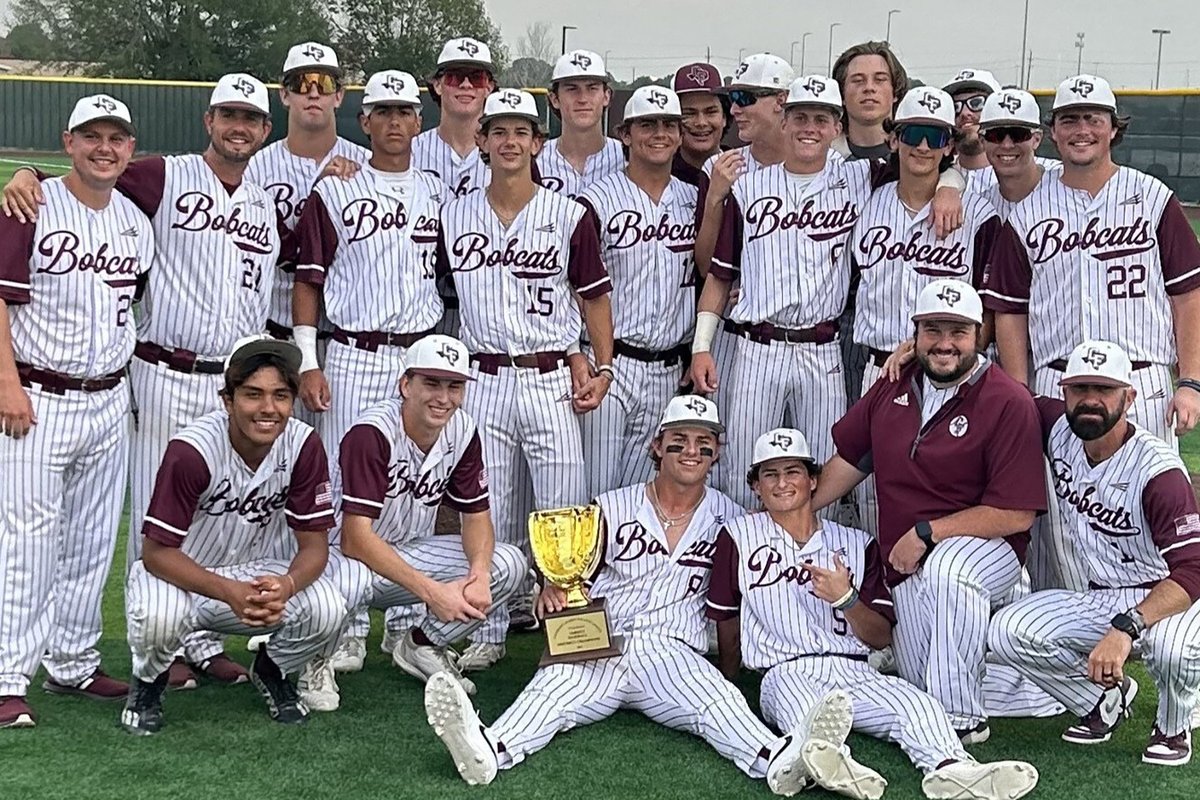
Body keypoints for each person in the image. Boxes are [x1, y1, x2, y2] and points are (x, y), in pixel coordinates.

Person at [3, 72, 290, 689]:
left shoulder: (265, 201)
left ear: (265, 131)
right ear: (208, 121)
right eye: (227, 114)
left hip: (230, 383)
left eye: (251, 118)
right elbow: (84, 179)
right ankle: (151, 650)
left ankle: (201, 640)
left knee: (218, 517)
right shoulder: (160, 176)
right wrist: (30, 174)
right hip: (164, 371)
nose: (238, 126)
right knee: (155, 521)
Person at [424, 396, 823, 796]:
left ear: (716, 452)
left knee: (716, 700)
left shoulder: (732, 521)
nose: (691, 450)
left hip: (670, 649)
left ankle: (776, 759)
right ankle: (488, 749)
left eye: (704, 441)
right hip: (599, 640)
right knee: (550, 691)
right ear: (657, 445)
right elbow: (571, 576)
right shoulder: (611, 507)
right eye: (679, 439)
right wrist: (553, 590)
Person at [708, 428, 1040, 800]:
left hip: (854, 668)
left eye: (793, 472)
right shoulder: (737, 535)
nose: (782, 483)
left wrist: (846, 598)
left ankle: (952, 769)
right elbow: (726, 616)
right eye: (770, 474)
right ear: (755, 485)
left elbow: (881, 636)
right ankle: (834, 761)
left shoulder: (855, 542)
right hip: (784, 670)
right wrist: (729, 679)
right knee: (805, 708)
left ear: (813, 479)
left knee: (917, 704)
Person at [812, 279, 1059, 743]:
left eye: (958, 332)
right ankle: (1068, 687)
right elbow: (849, 463)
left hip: (988, 550)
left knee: (949, 570)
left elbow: (1016, 514)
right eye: (933, 330)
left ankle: (960, 720)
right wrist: (794, 511)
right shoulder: (891, 385)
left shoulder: (1007, 400)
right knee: (918, 677)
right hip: (909, 563)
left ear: (978, 335)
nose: (945, 344)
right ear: (915, 334)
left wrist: (927, 533)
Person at [434, 88, 614, 664]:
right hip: (482, 374)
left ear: (539, 142)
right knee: (491, 507)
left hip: (547, 374)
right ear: (482, 141)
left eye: (522, 132)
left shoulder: (568, 214)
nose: (510, 141)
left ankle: (567, 634)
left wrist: (600, 362)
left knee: (563, 508)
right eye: (499, 131)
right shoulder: (451, 213)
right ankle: (488, 632)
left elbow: (593, 297)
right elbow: (439, 298)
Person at [0, 95, 151, 729]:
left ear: (130, 148)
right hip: (38, 396)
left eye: (117, 138)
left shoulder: (136, 221)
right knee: (29, 540)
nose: (105, 148)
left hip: (109, 395)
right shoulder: (30, 206)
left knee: (91, 541)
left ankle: (73, 660)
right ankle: (9, 674)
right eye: (92, 136)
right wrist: (6, 383)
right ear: (67, 142)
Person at [120, 336, 346, 734]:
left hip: (254, 573)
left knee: (329, 606)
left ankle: (273, 670)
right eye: (253, 394)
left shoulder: (303, 444)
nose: (268, 408)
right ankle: (149, 683)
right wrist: (228, 591)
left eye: (280, 395)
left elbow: (315, 547)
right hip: (181, 575)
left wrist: (287, 585)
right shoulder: (192, 450)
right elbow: (156, 553)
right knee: (158, 616)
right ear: (227, 400)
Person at [990, 339, 1200, 767]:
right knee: (1009, 632)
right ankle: (1102, 701)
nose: (1090, 401)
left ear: (1129, 396)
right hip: (1101, 593)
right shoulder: (1056, 426)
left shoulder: (1158, 472)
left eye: (1103, 390)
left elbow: (1193, 571)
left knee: (1171, 649)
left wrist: (1126, 628)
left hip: (1172, 597)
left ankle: (1173, 725)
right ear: (1063, 391)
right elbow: (992, 388)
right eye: (1080, 388)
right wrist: (911, 352)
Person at [304, 335, 527, 710]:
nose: (443, 397)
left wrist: (479, 572)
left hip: (407, 553)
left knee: (507, 563)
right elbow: (355, 539)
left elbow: (477, 518)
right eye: (431, 383)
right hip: (342, 563)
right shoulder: (371, 434)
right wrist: (431, 592)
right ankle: (315, 659)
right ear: (405, 385)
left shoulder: (463, 430)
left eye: (454, 386)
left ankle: (422, 644)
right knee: (352, 576)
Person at [984, 73, 1200, 454]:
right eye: (1069, 119)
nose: (1081, 130)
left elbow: (1186, 295)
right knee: (1058, 510)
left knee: (1144, 507)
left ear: (1114, 129)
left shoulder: (1153, 198)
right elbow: (1010, 310)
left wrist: (1190, 382)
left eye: (1093, 119)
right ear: (1052, 132)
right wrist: (1020, 393)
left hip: (1141, 385)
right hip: (1058, 384)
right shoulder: (1026, 213)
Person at [847, 85, 1001, 535]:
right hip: (877, 368)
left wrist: (952, 184)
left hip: (952, 376)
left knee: (946, 497)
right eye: (912, 133)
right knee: (871, 497)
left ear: (950, 145)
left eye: (935, 137)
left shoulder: (980, 213)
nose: (921, 146)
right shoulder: (864, 192)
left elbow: (991, 309)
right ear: (893, 137)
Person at [576, 86, 697, 497]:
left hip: (668, 369)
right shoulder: (595, 200)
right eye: (647, 125)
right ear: (625, 135)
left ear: (680, 135)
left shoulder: (694, 199)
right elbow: (575, 286)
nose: (659, 134)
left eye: (668, 125)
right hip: (612, 363)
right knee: (595, 488)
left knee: (642, 492)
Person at [247, 41, 370, 349]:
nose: (313, 93)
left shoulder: (366, 165)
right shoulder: (255, 168)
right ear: (284, 94)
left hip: (345, 339)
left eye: (325, 83)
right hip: (272, 328)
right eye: (301, 83)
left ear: (339, 96)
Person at [536, 50, 624, 198]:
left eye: (592, 88)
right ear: (554, 99)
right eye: (572, 89)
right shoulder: (534, 159)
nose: (583, 98)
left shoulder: (629, 159)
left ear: (606, 96)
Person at [670, 62, 729, 186]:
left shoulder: (744, 169)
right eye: (689, 113)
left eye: (711, 112)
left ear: (724, 117)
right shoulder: (662, 174)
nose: (701, 122)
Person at [941, 69, 1001, 175]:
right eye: (955, 107)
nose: (965, 113)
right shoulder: (936, 178)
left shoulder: (1032, 175)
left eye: (976, 103)